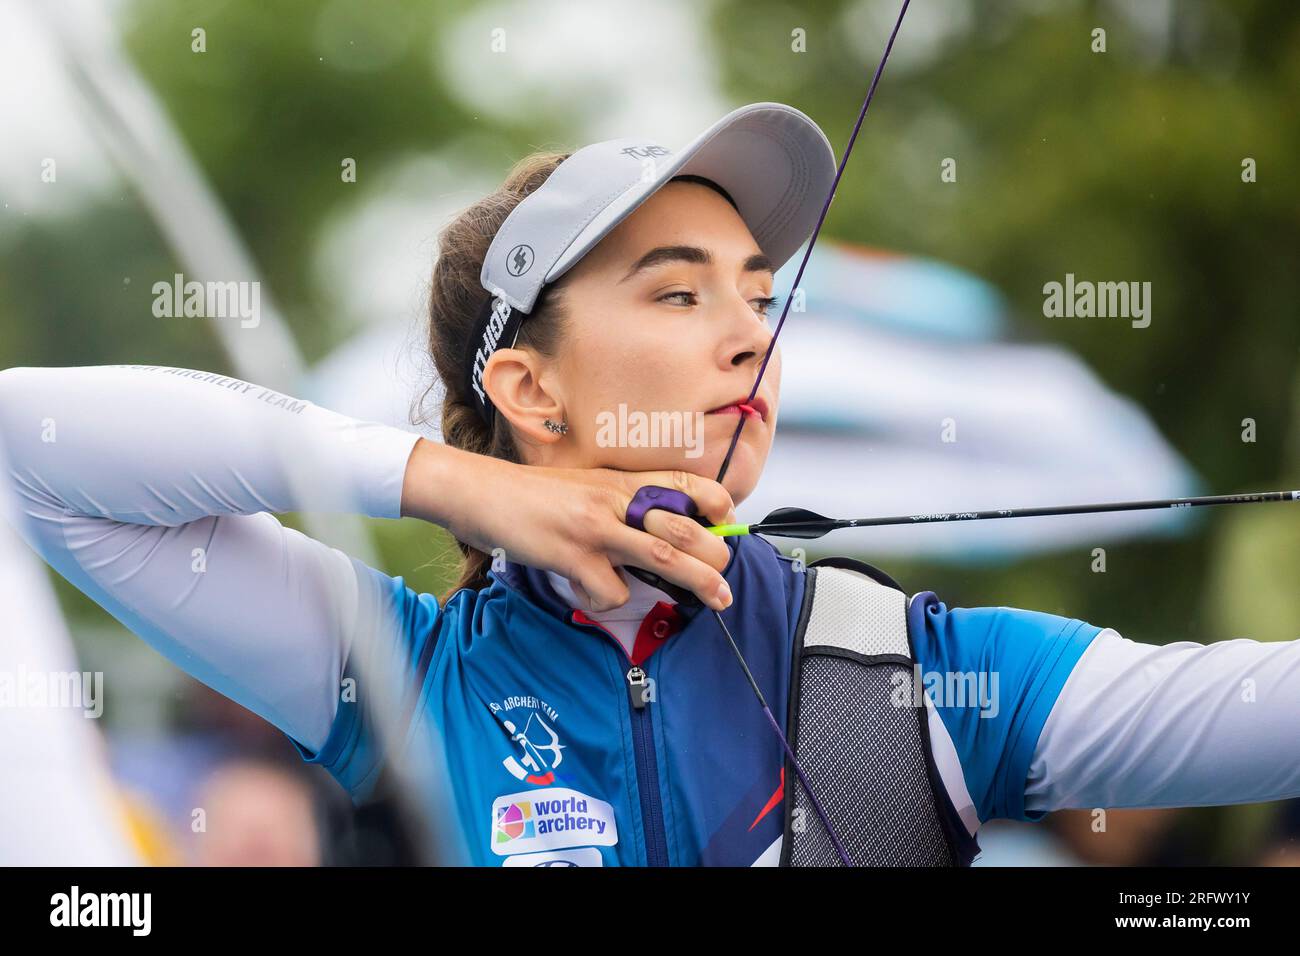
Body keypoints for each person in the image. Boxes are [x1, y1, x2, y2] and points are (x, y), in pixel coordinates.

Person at [2, 103, 1298, 867]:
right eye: (679, 292)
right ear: (529, 391)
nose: (751, 336)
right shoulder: (406, 673)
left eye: (758, 298)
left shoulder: (930, 677)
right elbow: (30, 452)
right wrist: (457, 488)